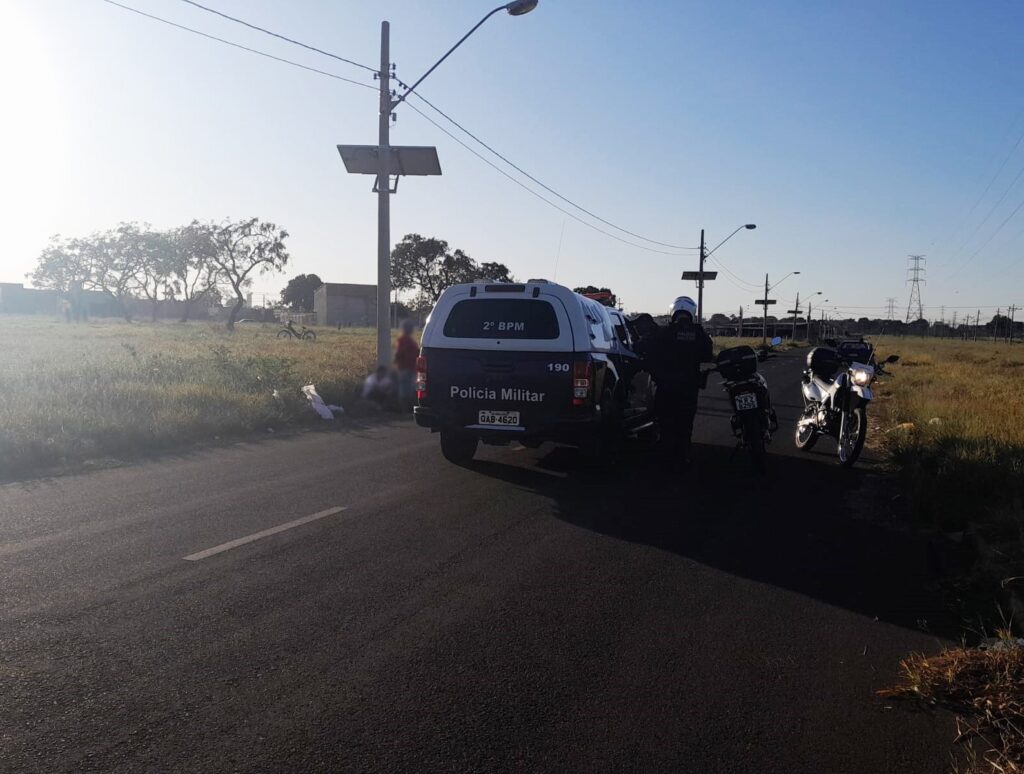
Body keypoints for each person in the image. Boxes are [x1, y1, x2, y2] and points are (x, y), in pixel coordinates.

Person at [641, 296, 713, 466]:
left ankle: (665, 457)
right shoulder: (699, 334)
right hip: (688, 388)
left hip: (666, 387)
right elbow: (707, 356)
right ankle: (682, 457)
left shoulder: (663, 332)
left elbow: (646, 350)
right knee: (685, 424)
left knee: (665, 423)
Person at [394, 319, 419, 411]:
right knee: (405, 390)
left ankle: (406, 409)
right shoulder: (405, 340)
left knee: (408, 389)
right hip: (406, 367)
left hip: (409, 367)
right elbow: (400, 353)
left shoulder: (406, 340)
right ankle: (405, 410)